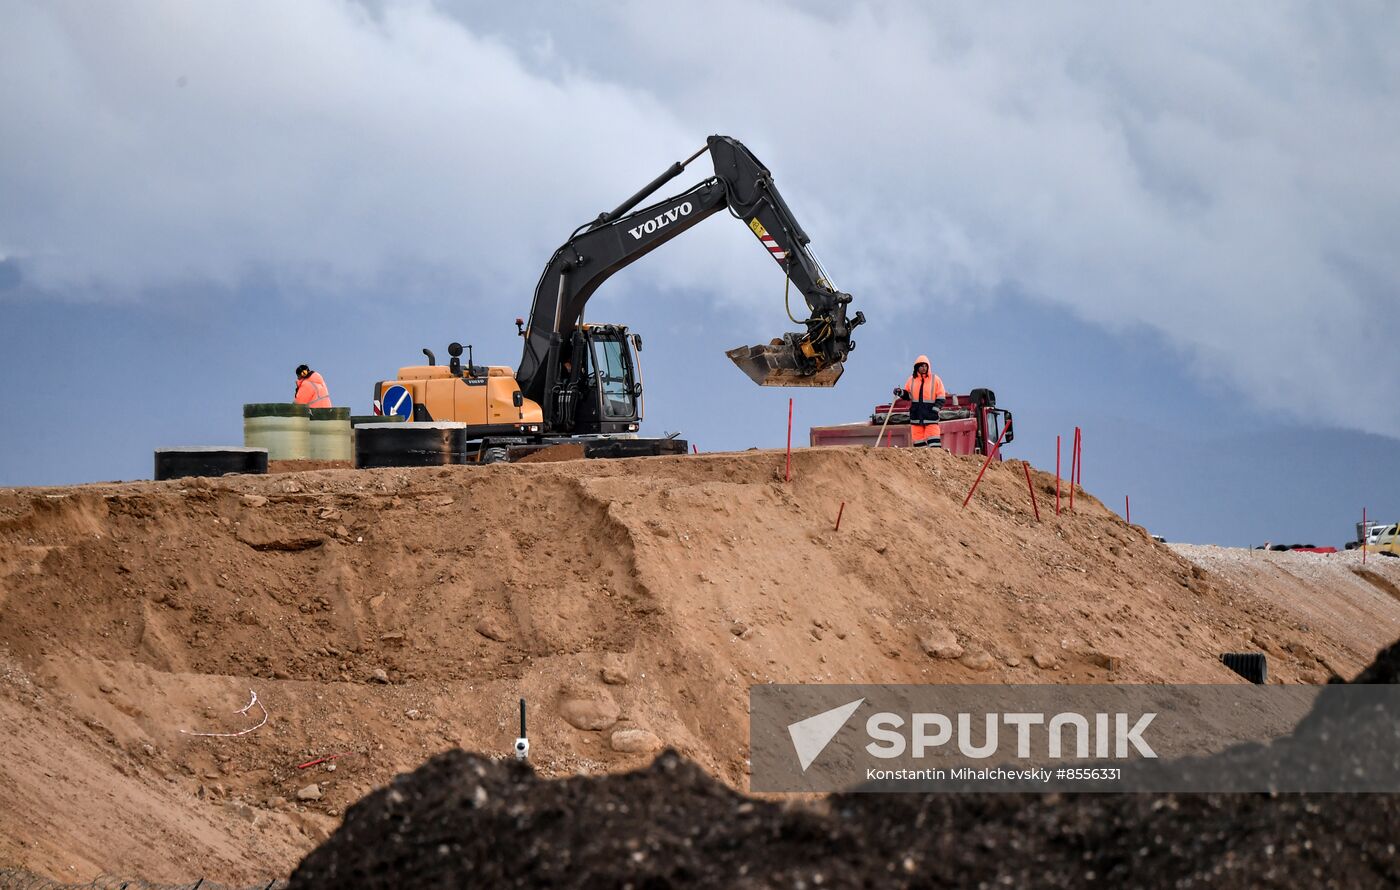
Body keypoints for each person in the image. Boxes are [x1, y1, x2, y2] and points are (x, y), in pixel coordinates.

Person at [894, 354, 946, 447]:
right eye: (922, 366)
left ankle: (935, 461)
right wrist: (900, 392)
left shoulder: (935, 379)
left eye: (926, 366)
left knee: (935, 446)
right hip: (916, 417)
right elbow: (908, 395)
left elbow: (941, 397)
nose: (924, 368)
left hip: (931, 417)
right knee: (919, 447)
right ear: (917, 367)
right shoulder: (911, 380)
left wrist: (935, 409)